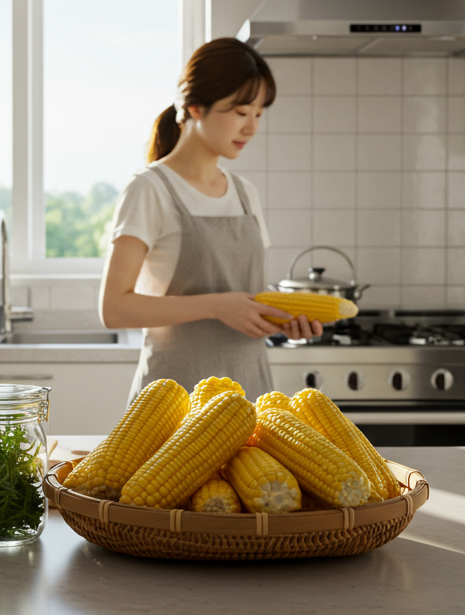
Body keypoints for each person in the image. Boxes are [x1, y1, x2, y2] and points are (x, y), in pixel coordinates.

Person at [100, 38, 322, 401]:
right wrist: (217, 306)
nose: (251, 127)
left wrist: (281, 320)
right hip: (174, 401)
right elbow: (114, 308)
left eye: (259, 114)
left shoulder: (245, 193)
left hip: (249, 394)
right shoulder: (149, 189)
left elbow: (243, 295)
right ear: (195, 108)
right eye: (241, 112)